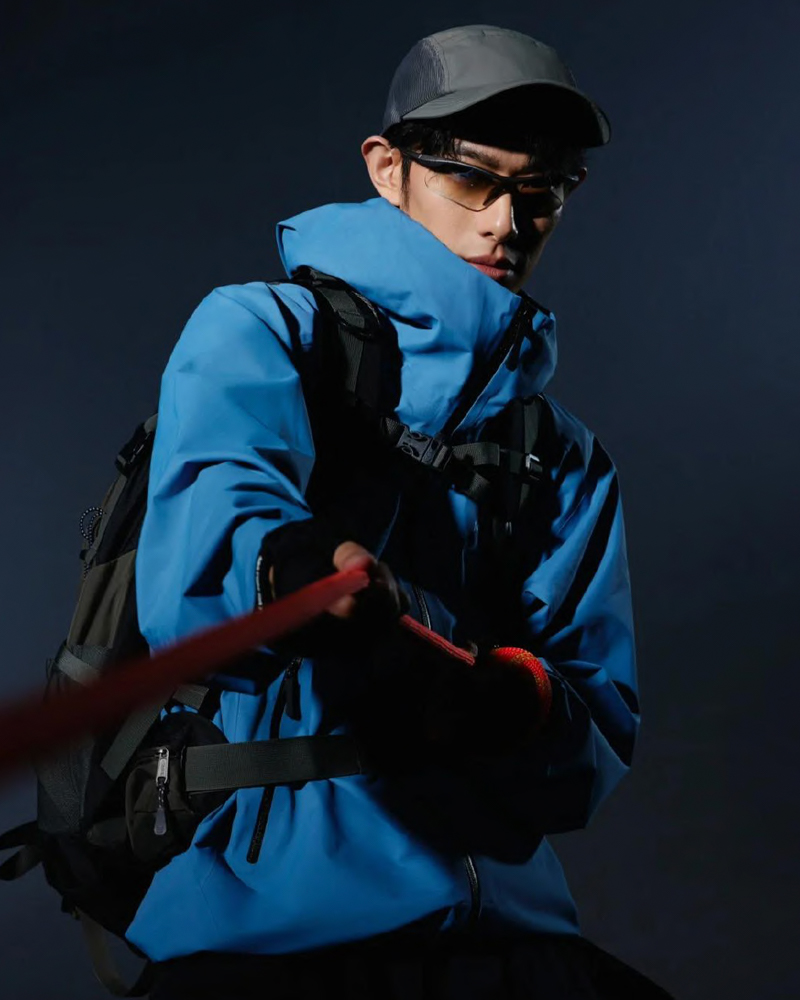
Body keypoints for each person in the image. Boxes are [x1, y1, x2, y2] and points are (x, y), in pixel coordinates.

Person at [133, 23, 673, 1000]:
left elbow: (596, 731)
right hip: (268, 933)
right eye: (470, 179)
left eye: (541, 191)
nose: (505, 223)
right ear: (390, 169)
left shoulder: (559, 453)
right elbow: (209, 543)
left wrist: (520, 700)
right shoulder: (263, 332)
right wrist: (291, 566)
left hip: (507, 935)